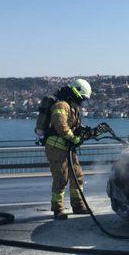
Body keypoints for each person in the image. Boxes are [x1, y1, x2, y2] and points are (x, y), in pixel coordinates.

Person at [45, 79, 92, 219]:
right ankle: (57, 209)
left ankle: (78, 206)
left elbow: (74, 126)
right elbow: (61, 126)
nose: (82, 101)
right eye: (82, 97)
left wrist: (83, 133)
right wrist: (74, 138)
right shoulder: (61, 105)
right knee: (61, 179)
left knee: (78, 176)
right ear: (76, 92)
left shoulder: (73, 107)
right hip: (56, 147)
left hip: (68, 148)